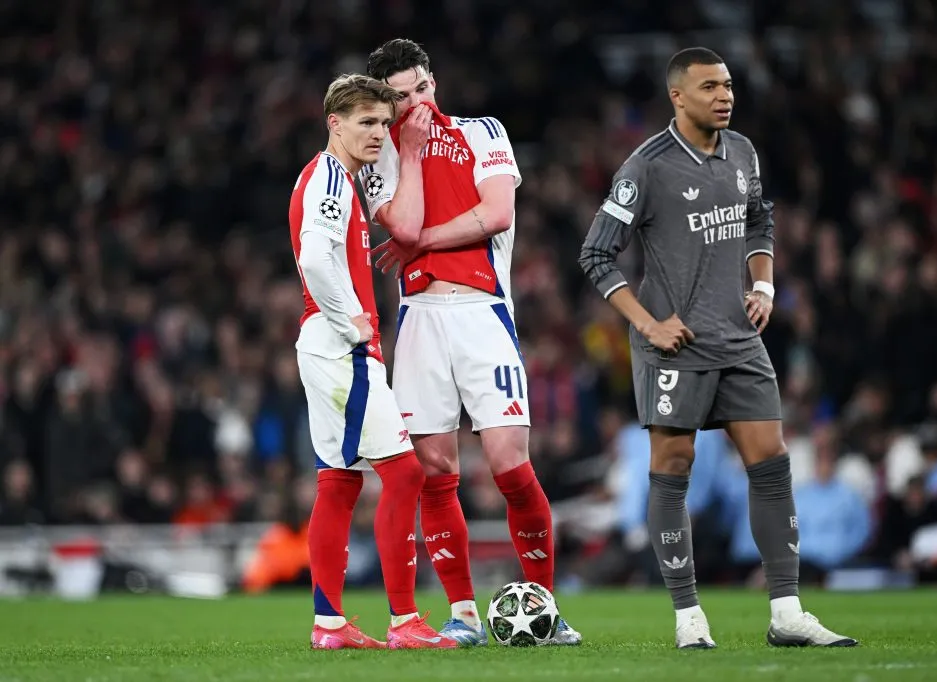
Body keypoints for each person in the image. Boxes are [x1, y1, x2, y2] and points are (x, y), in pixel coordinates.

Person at [578, 47, 857, 649]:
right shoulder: (646, 166)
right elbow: (595, 253)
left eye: (728, 85)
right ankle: (688, 616)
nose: (725, 96)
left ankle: (786, 611)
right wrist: (648, 325)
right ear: (678, 96)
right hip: (675, 346)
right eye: (710, 87)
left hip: (739, 337)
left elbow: (760, 221)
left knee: (772, 460)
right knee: (672, 468)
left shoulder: (743, 152)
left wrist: (763, 282)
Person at [360, 38, 581, 646]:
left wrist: (421, 241)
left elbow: (497, 213)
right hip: (419, 321)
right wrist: (405, 151)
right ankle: (462, 614)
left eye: (422, 88)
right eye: (400, 97)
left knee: (511, 464)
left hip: (483, 315)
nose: (417, 103)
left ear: (435, 80)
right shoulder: (380, 156)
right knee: (435, 474)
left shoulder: (484, 131)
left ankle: (547, 605)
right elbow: (396, 227)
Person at [289, 73, 456, 650]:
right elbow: (314, 257)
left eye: (384, 123)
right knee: (405, 472)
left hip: (323, 345)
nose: (378, 133)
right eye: (366, 122)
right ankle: (404, 620)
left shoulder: (330, 178)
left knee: (337, 481)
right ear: (333, 123)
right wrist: (350, 321)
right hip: (340, 348)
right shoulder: (331, 179)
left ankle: (330, 624)